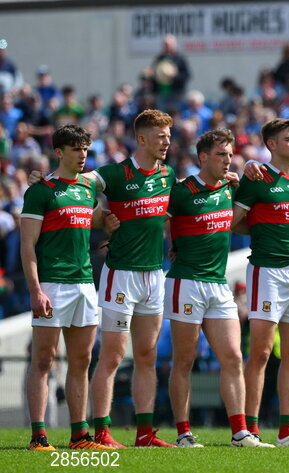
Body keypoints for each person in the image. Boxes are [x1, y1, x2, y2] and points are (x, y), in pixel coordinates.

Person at [165, 129, 272, 448]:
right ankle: (184, 433)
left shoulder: (231, 185)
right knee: (184, 361)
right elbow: (158, 225)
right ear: (203, 158)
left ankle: (240, 432)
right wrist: (173, 246)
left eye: (230, 154)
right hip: (185, 282)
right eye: (222, 155)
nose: (228, 160)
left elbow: (254, 179)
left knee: (233, 357)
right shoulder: (182, 191)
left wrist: (249, 165)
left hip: (218, 284)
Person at [22, 125, 115, 451]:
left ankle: (80, 436)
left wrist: (108, 221)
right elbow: (27, 245)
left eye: (86, 150)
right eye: (76, 150)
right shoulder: (41, 191)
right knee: (44, 360)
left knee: (81, 361)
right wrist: (35, 289)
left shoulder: (88, 189)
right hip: (52, 284)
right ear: (59, 152)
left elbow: (90, 220)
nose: (83, 156)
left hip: (84, 283)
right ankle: (39, 436)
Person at [91, 110, 177, 448]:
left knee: (147, 355)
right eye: (160, 136)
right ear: (142, 138)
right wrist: (99, 218)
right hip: (121, 276)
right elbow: (79, 183)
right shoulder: (114, 173)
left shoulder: (168, 174)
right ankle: (101, 431)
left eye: (168, 136)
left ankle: (144, 433)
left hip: (153, 275)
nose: (167, 141)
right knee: (112, 356)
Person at [231, 118, 289, 447]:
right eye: (287, 138)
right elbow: (234, 222)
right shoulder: (257, 177)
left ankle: (287, 431)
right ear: (271, 145)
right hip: (267, 271)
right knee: (262, 353)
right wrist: (264, 230)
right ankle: (248, 431)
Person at [150, 35, 191, 107]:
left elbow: (187, 75)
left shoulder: (180, 58)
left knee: (174, 114)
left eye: (168, 45)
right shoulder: (159, 58)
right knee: (162, 116)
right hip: (161, 93)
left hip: (176, 93)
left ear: (174, 45)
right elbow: (153, 72)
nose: (166, 46)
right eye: (165, 44)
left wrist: (174, 77)